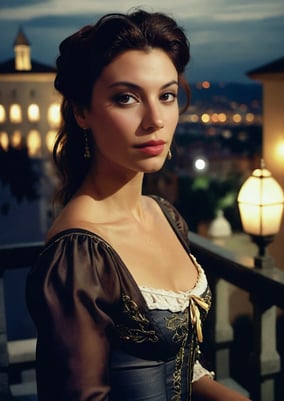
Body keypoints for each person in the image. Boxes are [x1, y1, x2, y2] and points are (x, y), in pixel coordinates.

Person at [26, 9, 251, 401]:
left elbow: (178, 363)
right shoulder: (78, 255)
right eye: (126, 98)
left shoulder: (164, 213)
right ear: (82, 111)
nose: (155, 120)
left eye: (166, 96)